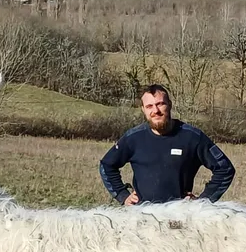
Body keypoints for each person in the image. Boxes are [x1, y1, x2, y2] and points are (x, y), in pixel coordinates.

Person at [99, 84, 235, 206]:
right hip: (142, 217)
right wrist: (122, 195)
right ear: (143, 110)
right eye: (149, 106)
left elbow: (225, 169)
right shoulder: (133, 138)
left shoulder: (192, 137)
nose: (156, 110)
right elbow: (107, 165)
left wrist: (203, 202)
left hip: (180, 217)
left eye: (160, 104)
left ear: (169, 105)